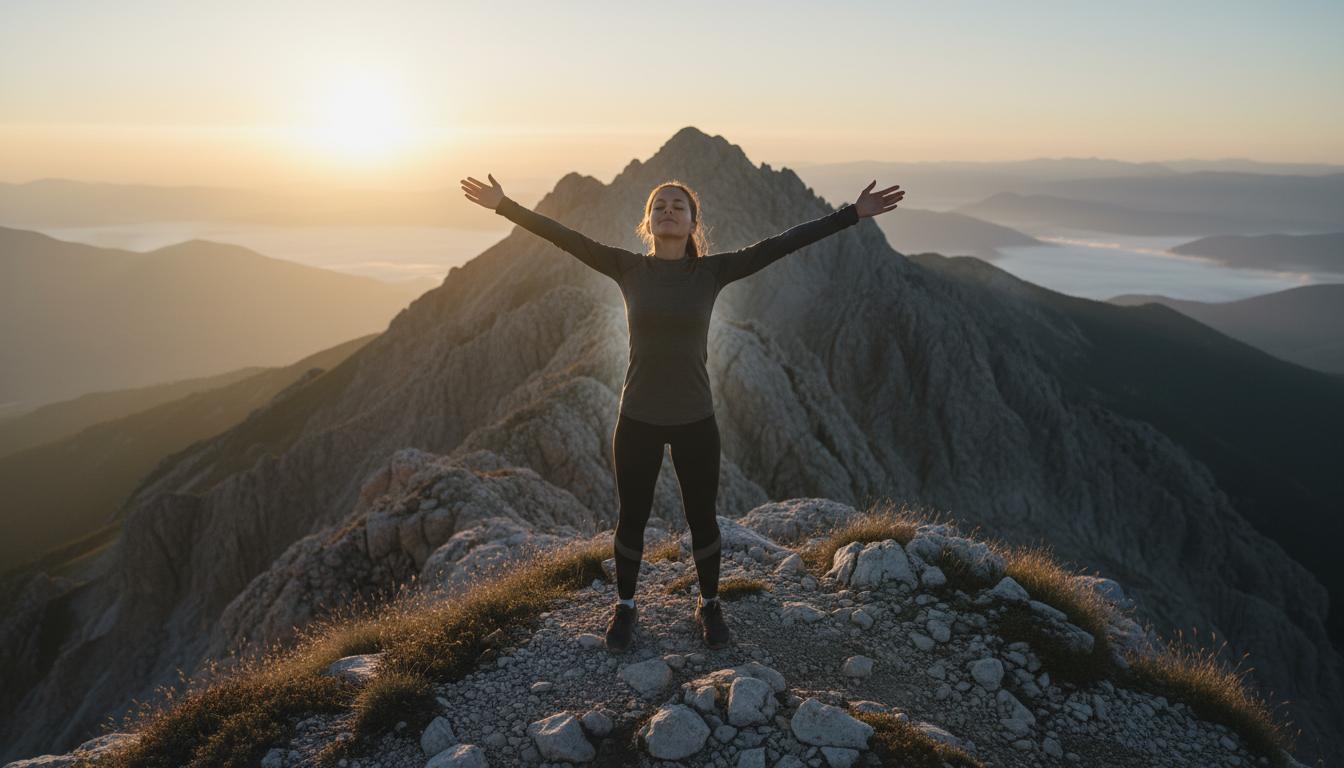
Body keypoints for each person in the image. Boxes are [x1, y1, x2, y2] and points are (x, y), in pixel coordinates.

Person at [460, 172, 904, 652]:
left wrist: (851, 215)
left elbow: (782, 244)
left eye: (678, 205)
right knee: (631, 518)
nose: (668, 210)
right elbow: (564, 237)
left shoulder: (711, 273)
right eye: (659, 206)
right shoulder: (627, 268)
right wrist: (505, 205)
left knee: (703, 519)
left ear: (693, 223)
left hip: (696, 419)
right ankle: (626, 607)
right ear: (648, 222)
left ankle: (710, 603)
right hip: (637, 420)